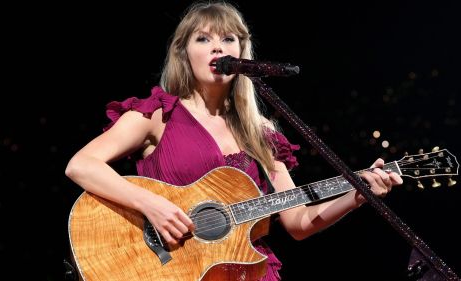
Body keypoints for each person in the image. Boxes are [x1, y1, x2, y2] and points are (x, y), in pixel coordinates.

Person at [65, 1, 403, 280]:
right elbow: (81, 165)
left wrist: (356, 195)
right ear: (184, 53)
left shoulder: (261, 134)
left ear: (243, 52)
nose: (217, 47)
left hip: (246, 271)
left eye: (228, 39)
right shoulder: (159, 114)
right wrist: (151, 205)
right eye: (203, 39)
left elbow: (298, 222)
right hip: (174, 270)